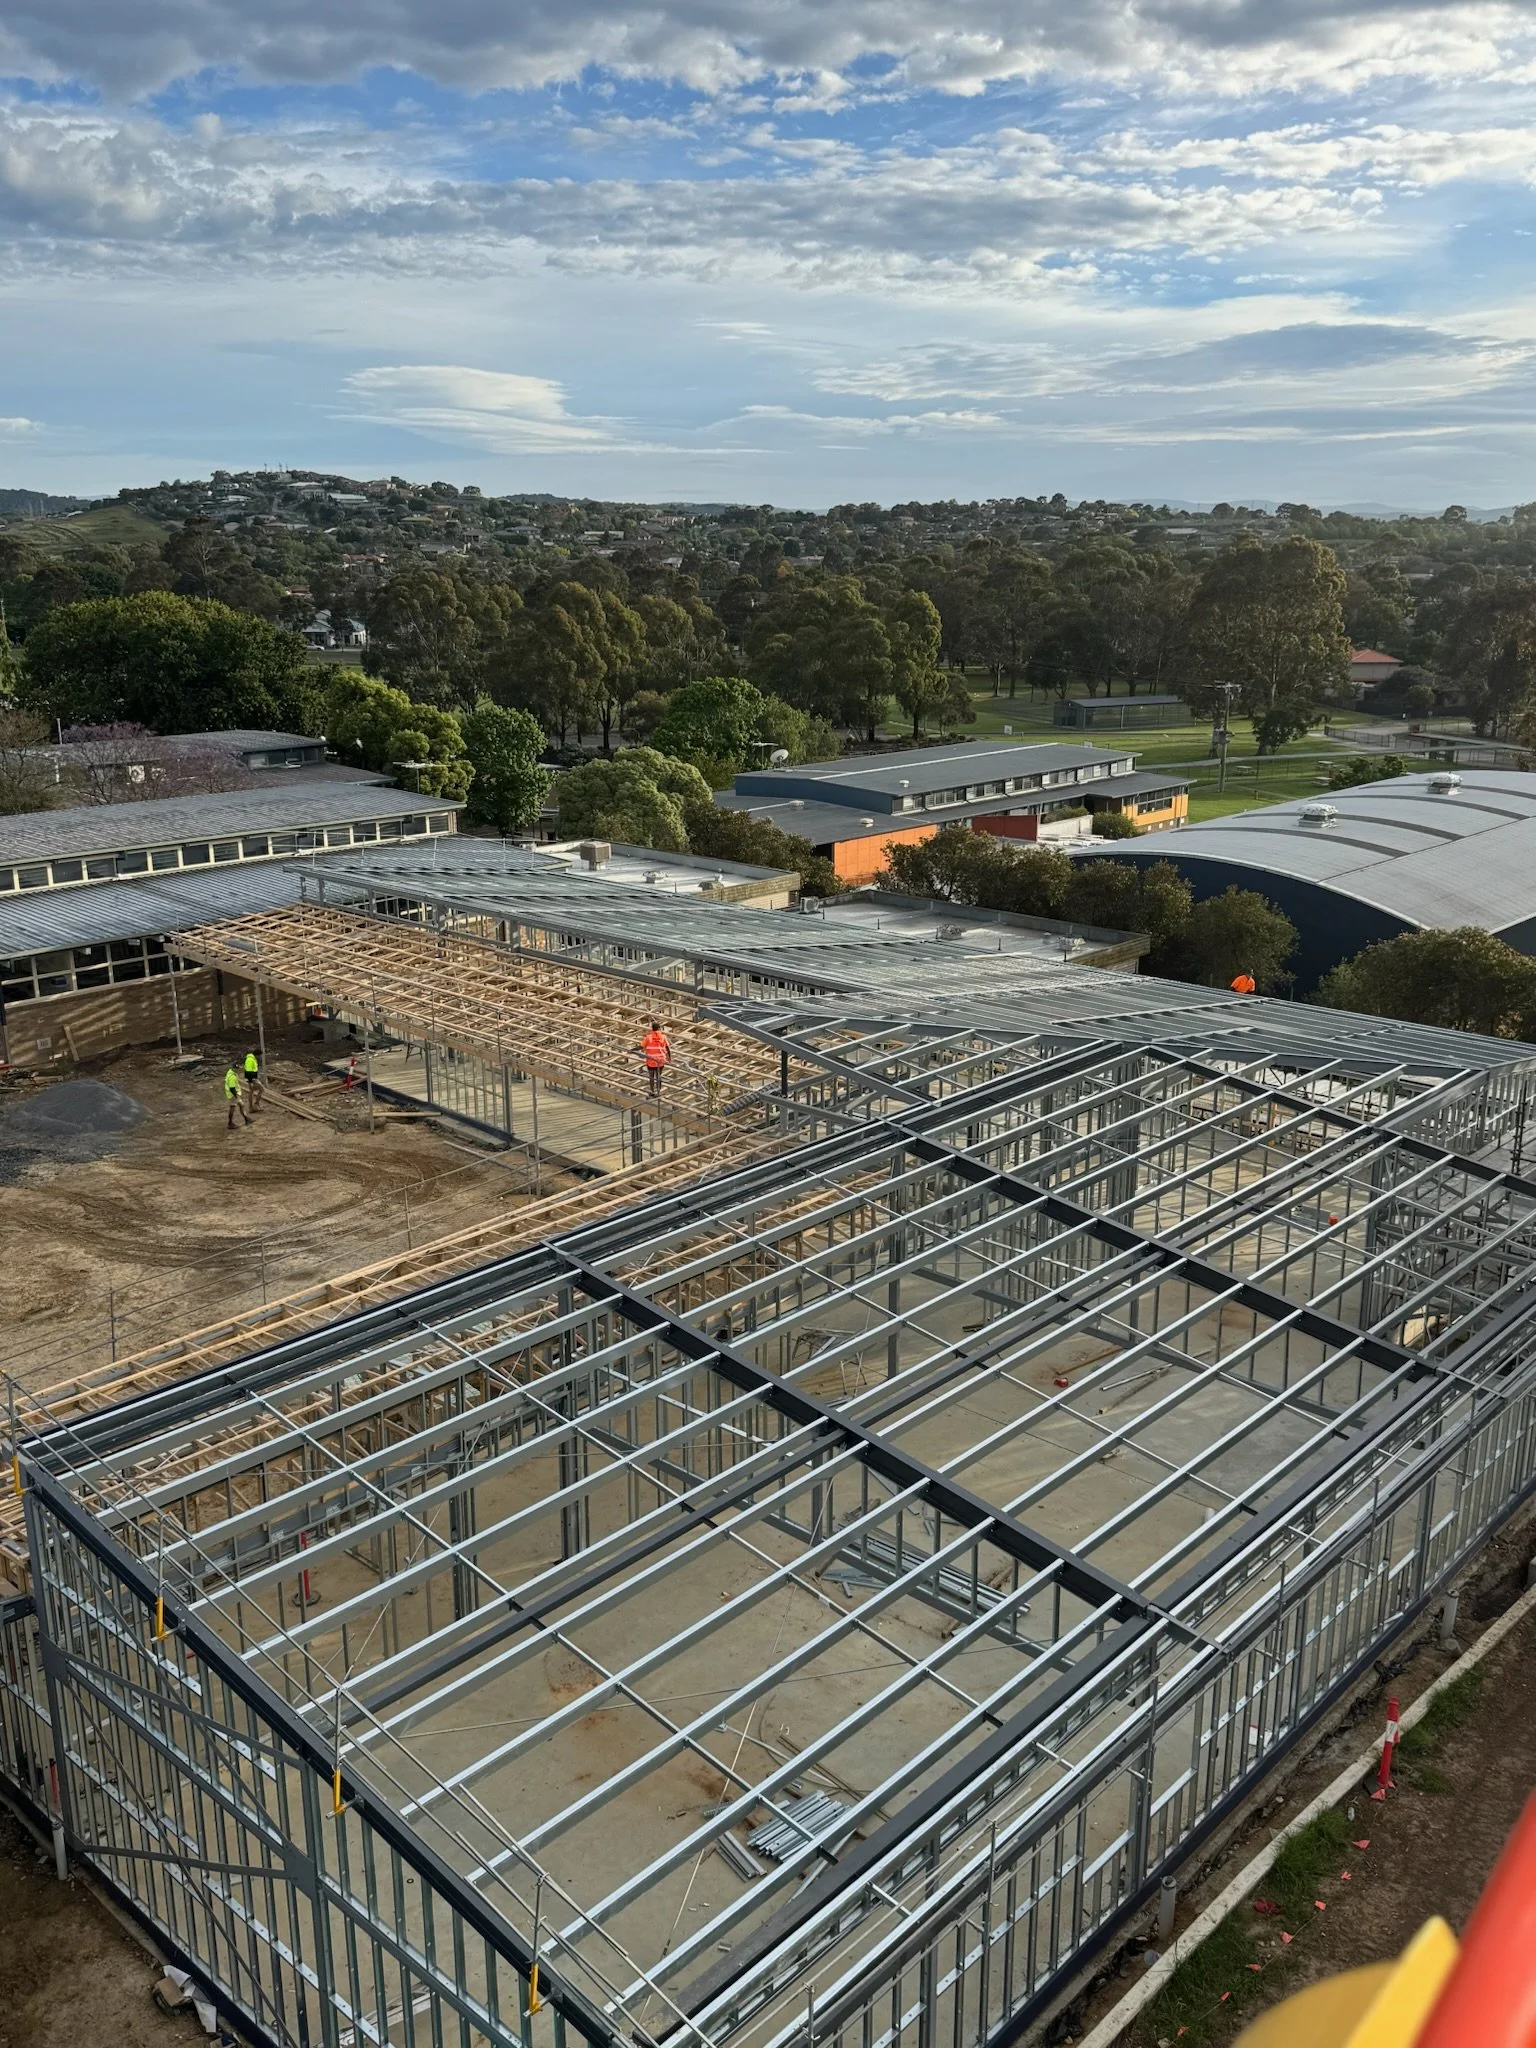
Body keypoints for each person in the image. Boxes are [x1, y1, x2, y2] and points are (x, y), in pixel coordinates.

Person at [640, 1019, 673, 1099]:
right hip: (660, 1060)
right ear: (659, 1028)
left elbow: (641, 1046)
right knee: (659, 1076)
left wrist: (632, 1050)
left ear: (652, 1028)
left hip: (651, 1060)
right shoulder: (663, 1037)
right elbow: (667, 1048)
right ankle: (658, 1091)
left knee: (651, 1076)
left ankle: (652, 1091)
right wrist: (669, 1058)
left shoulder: (648, 1037)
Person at [224, 1065, 251, 1130]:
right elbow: (232, 1088)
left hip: (233, 1094)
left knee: (242, 1105)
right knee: (233, 1107)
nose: (239, 1070)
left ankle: (246, 1119)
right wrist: (236, 1096)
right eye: (238, 1069)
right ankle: (230, 1123)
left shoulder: (230, 1073)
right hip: (233, 1094)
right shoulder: (232, 1077)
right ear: (234, 1068)